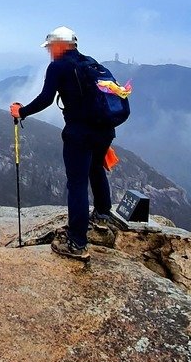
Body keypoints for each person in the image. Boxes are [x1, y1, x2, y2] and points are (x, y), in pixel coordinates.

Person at [9, 26, 116, 262]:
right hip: (105, 130)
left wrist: (21, 112)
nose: (49, 51)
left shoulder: (59, 66)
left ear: (60, 45)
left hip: (80, 132)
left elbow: (46, 98)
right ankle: (102, 215)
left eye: (50, 47)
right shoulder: (89, 62)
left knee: (76, 183)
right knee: (96, 168)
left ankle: (77, 242)